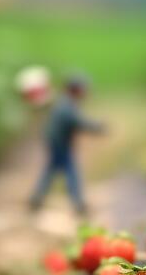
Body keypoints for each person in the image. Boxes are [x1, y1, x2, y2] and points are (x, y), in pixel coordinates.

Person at [30, 76, 103, 214]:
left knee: (51, 171)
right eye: (83, 89)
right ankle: (78, 203)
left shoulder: (65, 102)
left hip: (56, 141)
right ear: (75, 90)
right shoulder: (67, 106)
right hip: (59, 143)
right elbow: (79, 122)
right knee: (70, 172)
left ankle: (37, 199)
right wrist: (97, 127)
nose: (85, 93)